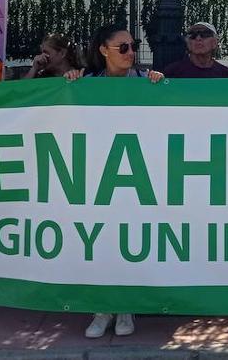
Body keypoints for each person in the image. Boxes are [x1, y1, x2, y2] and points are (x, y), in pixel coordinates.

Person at [66, 24, 162, 339]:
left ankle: (125, 307)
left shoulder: (145, 83)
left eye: (133, 46)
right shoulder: (86, 84)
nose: (131, 53)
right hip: (96, 177)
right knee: (100, 242)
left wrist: (161, 87)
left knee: (130, 240)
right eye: (123, 48)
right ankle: (101, 309)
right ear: (103, 50)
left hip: (135, 177)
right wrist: (70, 84)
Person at [163, 21, 228, 78]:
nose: (198, 38)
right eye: (193, 35)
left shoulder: (224, 74)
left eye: (205, 34)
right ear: (188, 43)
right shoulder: (172, 72)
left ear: (215, 42)